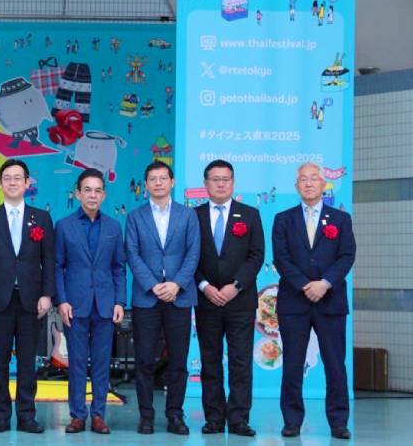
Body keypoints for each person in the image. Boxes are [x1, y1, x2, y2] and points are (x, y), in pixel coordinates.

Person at [273, 163, 356, 440]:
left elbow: (347, 255)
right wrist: (304, 285)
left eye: (313, 179)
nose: (308, 183)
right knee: (292, 364)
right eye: (303, 179)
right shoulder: (283, 219)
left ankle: (339, 422)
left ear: (323, 184)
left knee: (335, 364)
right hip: (294, 302)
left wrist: (325, 283)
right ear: (296, 186)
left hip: (330, 301)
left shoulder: (340, 219)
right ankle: (292, 421)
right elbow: (281, 258)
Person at [0, 158, 54, 434]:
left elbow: (49, 260)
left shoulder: (41, 218)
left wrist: (47, 294)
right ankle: (1, 416)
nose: (12, 182)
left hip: (32, 299)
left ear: (27, 183)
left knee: (27, 362)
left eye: (17, 178)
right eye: (7, 178)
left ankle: (27, 415)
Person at [124, 162, 199, 435]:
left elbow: (193, 253)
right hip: (147, 298)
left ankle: (175, 415)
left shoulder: (188, 215)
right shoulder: (135, 217)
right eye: (153, 179)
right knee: (144, 360)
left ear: (172, 182)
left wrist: (176, 284)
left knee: (178, 361)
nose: (158, 183)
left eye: (163, 178)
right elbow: (132, 253)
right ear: (146, 185)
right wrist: (153, 285)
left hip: (179, 297)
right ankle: (146, 416)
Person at [194, 159, 264, 437]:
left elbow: (256, 255)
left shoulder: (250, 215)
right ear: (206, 184)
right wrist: (204, 286)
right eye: (215, 179)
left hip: (240, 301)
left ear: (233, 183)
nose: (221, 184)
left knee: (240, 361)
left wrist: (235, 286)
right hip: (206, 300)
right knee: (210, 360)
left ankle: (238, 419)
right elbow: (189, 257)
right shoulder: (194, 216)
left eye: (226, 179)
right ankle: (213, 418)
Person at [55, 168, 126, 435]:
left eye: (97, 190)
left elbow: (119, 267)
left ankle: (98, 415)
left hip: (105, 305)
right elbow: (57, 266)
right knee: (76, 362)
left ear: (104, 195)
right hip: (75, 305)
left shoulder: (114, 227)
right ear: (78, 193)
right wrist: (62, 301)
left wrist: (120, 301)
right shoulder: (64, 225)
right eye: (87, 190)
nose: (92, 195)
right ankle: (77, 415)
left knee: (101, 363)